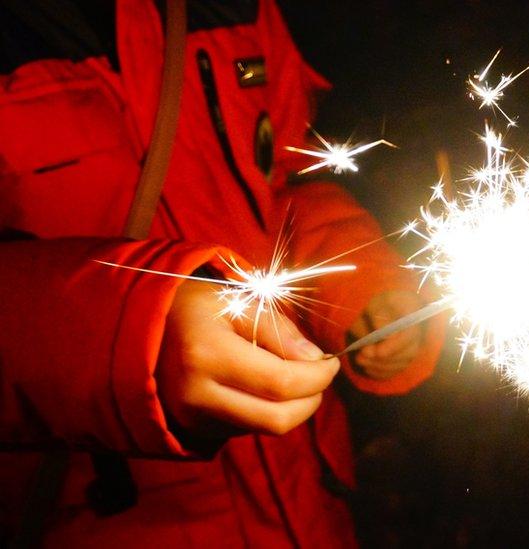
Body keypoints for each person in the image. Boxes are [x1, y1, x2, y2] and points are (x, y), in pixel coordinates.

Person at [0, 0, 444, 546]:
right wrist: (134, 337)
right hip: (116, 521)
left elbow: (279, 183)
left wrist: (360, 286)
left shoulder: (237, 8)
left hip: (306, 503)